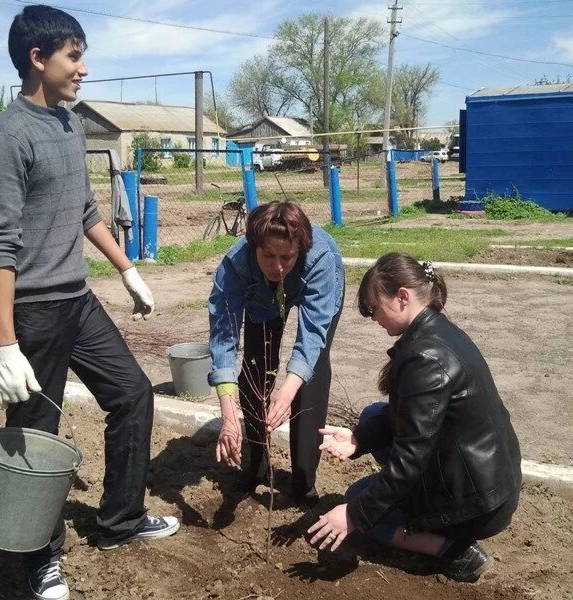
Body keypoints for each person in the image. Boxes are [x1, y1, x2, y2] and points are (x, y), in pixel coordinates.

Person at [0, 6, 179, 600]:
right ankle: (40, 560)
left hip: (79, 300)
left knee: (133, 394)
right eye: (73, 56)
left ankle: (120, 522)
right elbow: (1, 245)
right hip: (34, 311)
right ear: (37, 59)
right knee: (36, 434)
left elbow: (86, 211)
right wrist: (5, 343)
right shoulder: (7, 137)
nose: (83, 69)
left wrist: (127, 269)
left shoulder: (67, 125)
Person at [308, 253, 521, 583]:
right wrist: (358, 438)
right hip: (487, 478)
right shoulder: (438, 330)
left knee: (360, 503)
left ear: (402, 296)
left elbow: (411, 459)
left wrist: (354, 514)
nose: (373, 317)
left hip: (475, 505)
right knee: (372, 415)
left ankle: (454, 551)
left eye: (374, 307)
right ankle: (409, 511)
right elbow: (403, 417)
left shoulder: (426, 358)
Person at [208, 201, 344, 508]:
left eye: (287, 256)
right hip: (260, 297)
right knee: (256, 371)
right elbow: (223, 338)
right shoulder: (236, 266)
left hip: (315, 289)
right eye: (268, 255)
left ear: (300, 250)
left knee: (310, 377)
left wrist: (287, 390)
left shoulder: (321, 258)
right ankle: (255, 465)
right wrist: (229, 417)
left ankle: (303, 481)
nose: (278, 266)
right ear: (254, 246)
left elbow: (312, 336)